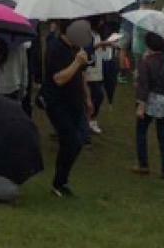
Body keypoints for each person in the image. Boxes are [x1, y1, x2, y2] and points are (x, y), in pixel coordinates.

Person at [42, 19, 94, 198]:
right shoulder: (55, 48)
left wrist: (87, 98)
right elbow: (59, 79)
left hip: (76, 102)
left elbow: (81, 76)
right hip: (58, 104)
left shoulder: (76, 49)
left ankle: (63, 180)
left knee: (78, 140)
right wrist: (76, 63)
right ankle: (59, 183)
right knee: (70, 141)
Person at [133, 31, 164, 177]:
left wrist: (141, 105)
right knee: (163, 135)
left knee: (141, 132)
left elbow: (144, 85)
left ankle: (143, 165)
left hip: (151, 101)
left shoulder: (146, 62)